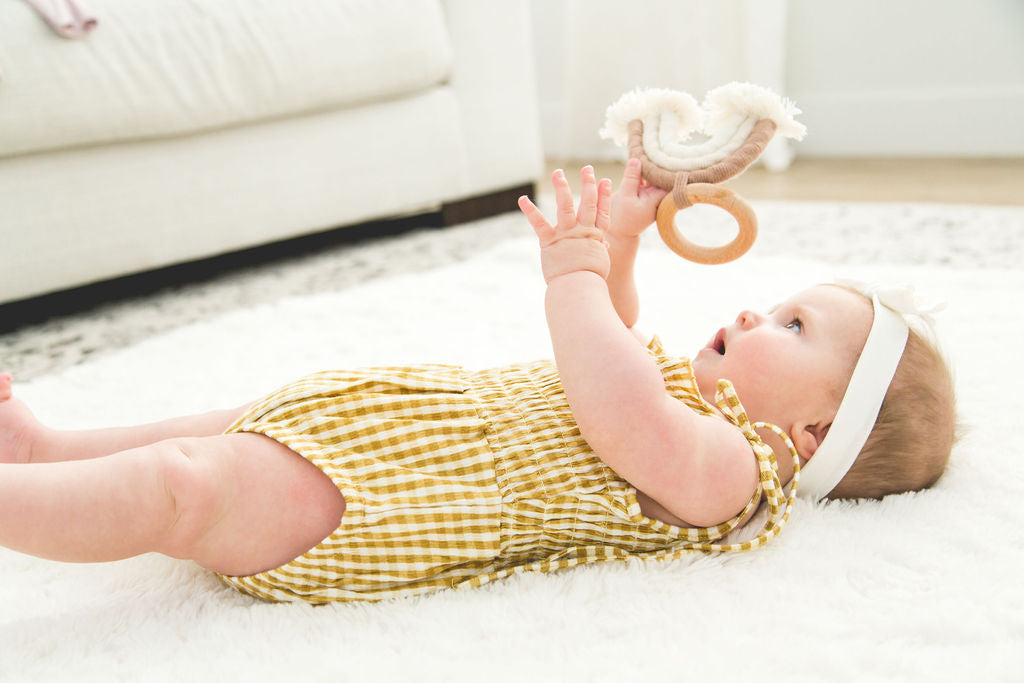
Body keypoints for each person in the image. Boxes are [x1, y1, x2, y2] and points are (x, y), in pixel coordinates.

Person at [0, 162, 956, 603]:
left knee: (186, 485)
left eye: (793, 327)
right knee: (217, 425)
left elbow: (618, 413)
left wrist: (572, 278)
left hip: (387, 504)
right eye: (776, 302)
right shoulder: (688, 394)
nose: (752, 312)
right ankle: (45, 452)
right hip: (391, 424)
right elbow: (619, 336)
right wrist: (616, 242)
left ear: (809, 440)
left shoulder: (732, 478)